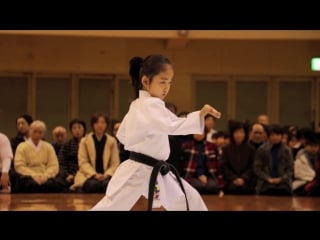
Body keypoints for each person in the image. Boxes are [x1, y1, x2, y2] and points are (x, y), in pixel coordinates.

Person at [90, 54, 221, 211]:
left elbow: (123, 136)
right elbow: (171, 125)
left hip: (155, 170)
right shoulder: (149, 104)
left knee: (189, 199)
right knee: (111, 206)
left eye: (169, 82)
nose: (166, 87)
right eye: (162, 82)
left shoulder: (140, 104)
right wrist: (199, 115)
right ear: (145, 81)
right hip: (138, 170)